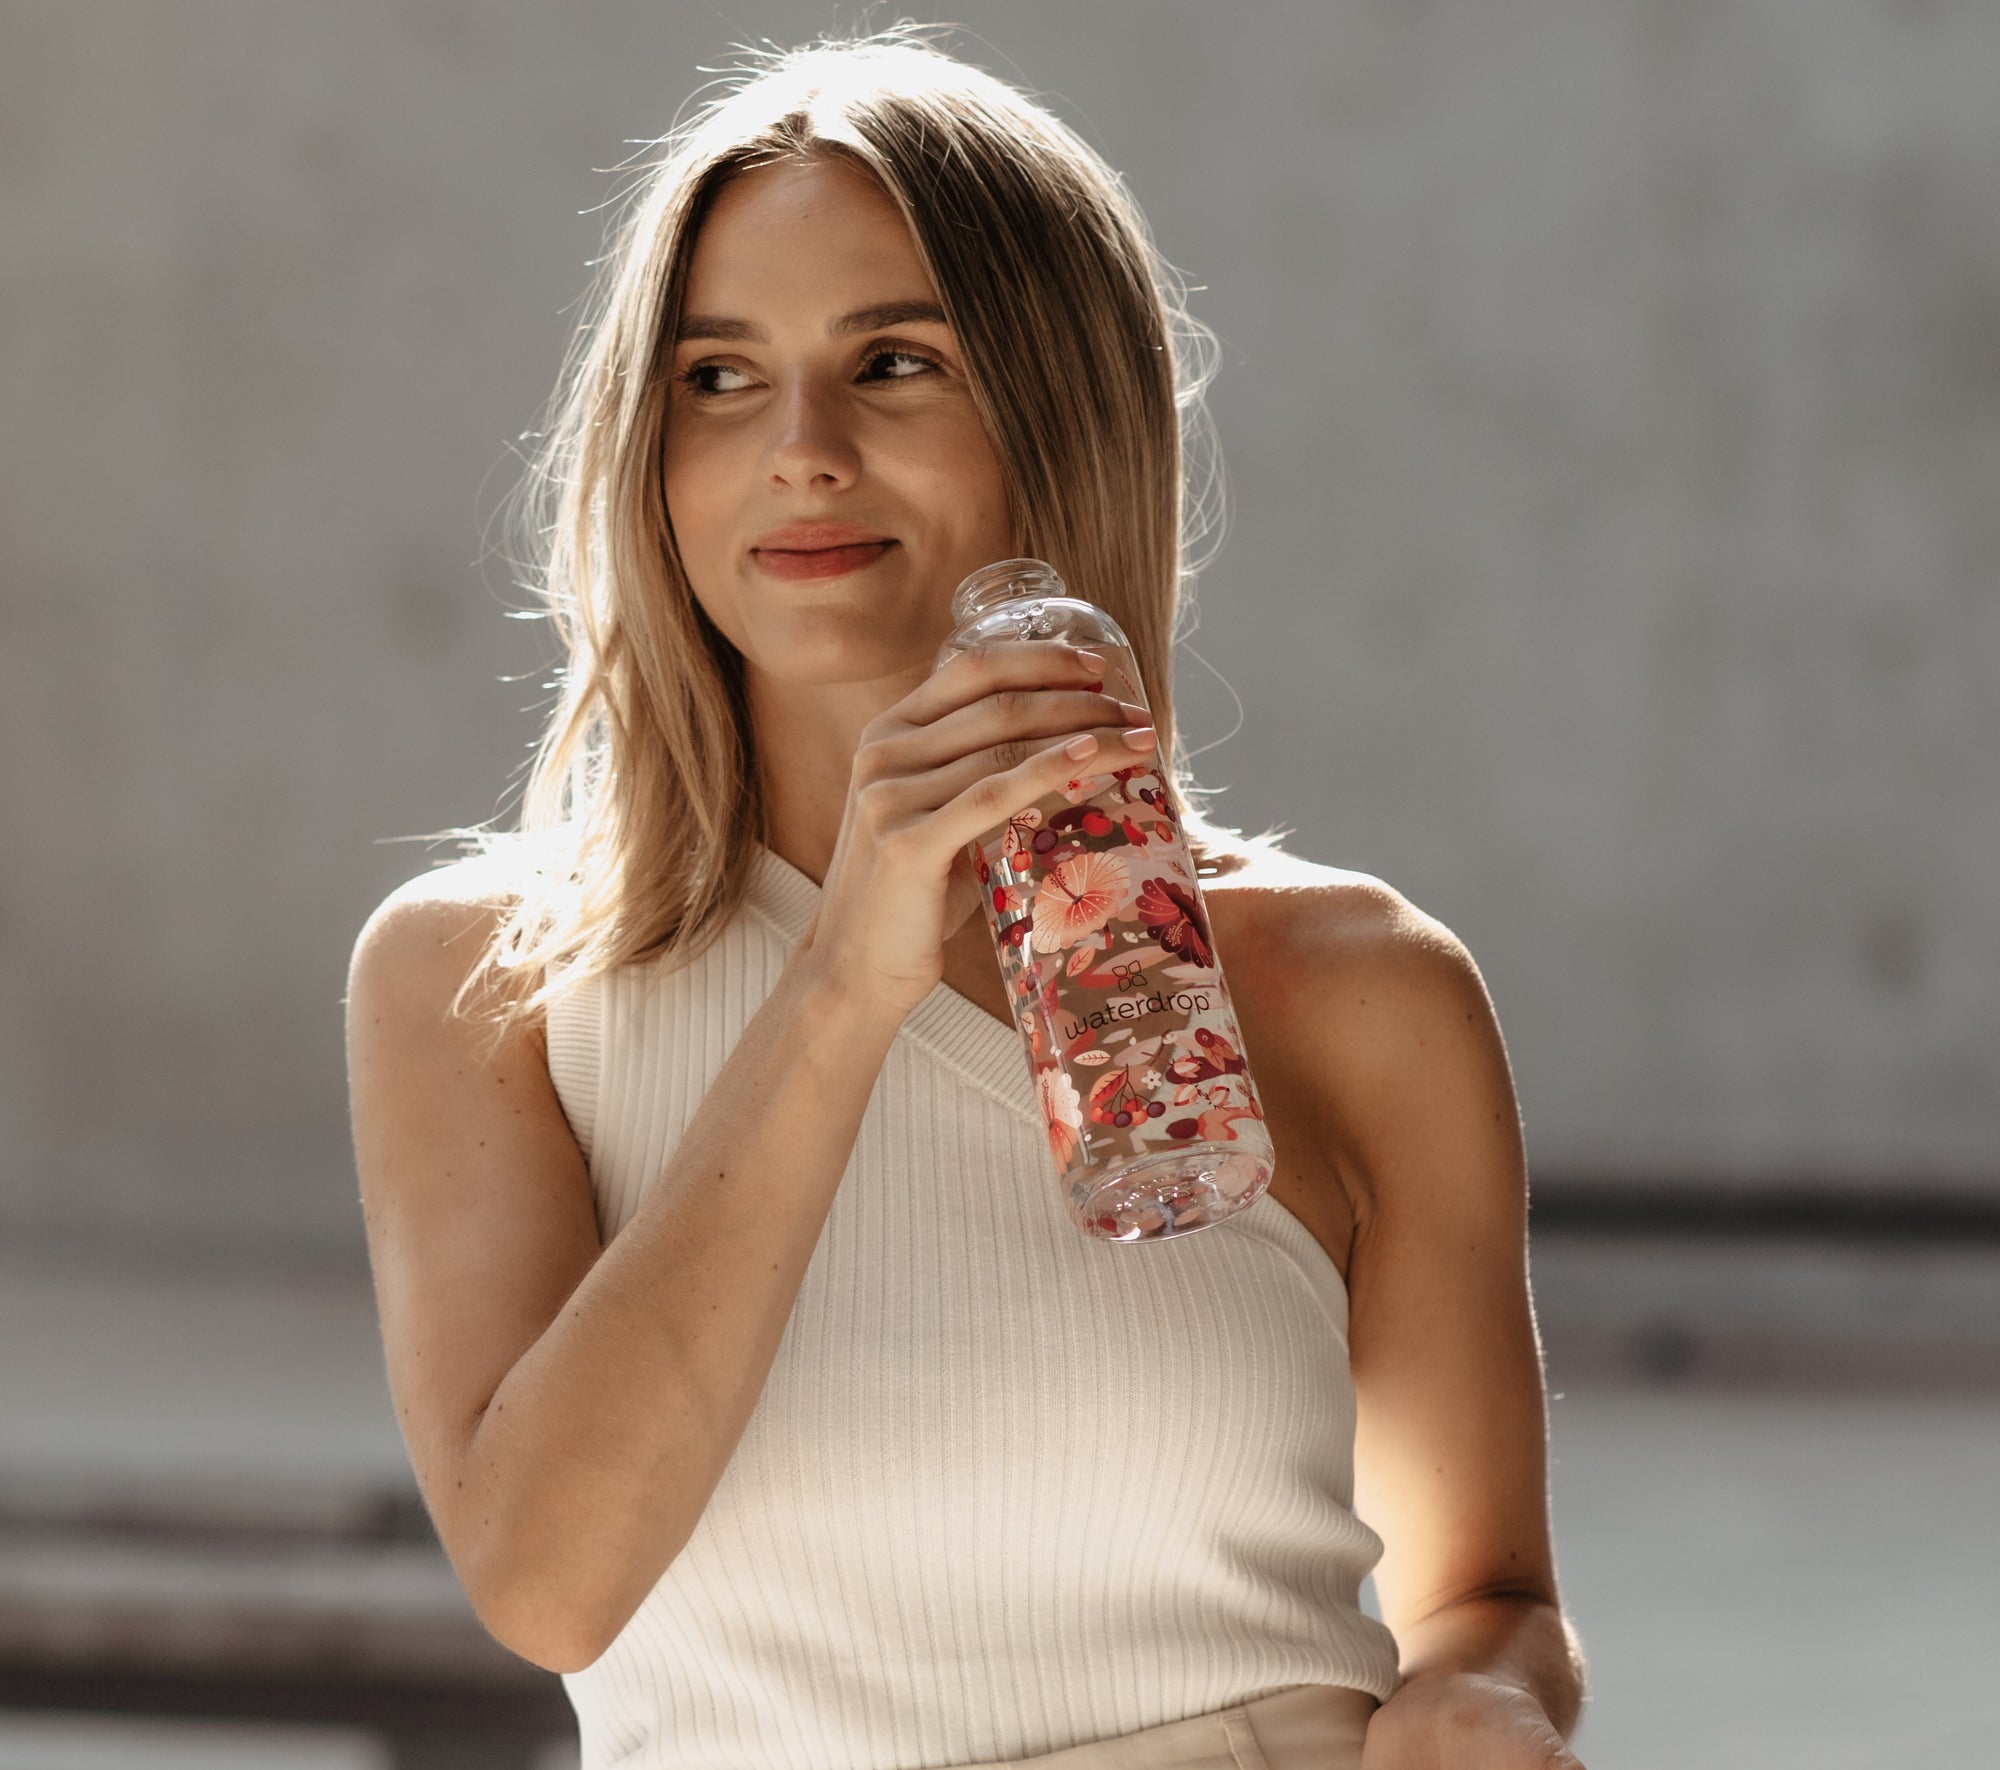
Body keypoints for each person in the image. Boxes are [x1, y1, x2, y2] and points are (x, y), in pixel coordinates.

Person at [344, 27, 1588, 1770]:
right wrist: (846, 969)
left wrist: (1478, 1697)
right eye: (716, 377)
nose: (802, 448)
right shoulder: (486, 984)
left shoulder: (1350, 985)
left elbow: (1491, 1594)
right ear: (647, 446)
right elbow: (549, 1579)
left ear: (1059, 407)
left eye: (896, 360)